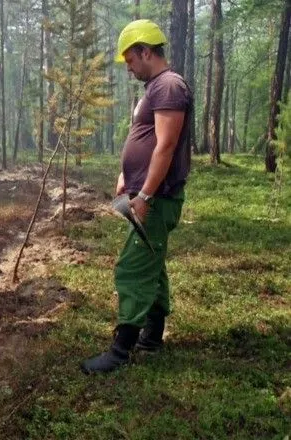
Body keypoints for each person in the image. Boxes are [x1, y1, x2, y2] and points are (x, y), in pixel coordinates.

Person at [81, 19, 193, 374]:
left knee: (132, 269)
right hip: (146, 194)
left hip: (157, 199)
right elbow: (142, 136)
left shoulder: (169, 86)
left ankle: (120, 351)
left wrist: (145, 193)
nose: (128, 68)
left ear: (146, 51)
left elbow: (166, 145)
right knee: (151, 262)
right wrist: (125, 177)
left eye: (130, 60)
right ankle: (152, 336)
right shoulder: (155, 88)